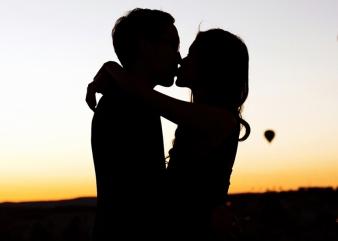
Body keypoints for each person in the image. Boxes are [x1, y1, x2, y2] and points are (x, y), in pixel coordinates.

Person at [89, 28, 250, 240]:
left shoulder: (221, 120)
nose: (182, 59)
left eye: (191, 53)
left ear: (211, 64)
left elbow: (145, 95)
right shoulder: (194, 122)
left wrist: (112, 69)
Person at [89, 8, 180, 241]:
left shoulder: (131, 101)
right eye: (174, 45)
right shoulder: (129, 106)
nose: (178, 58)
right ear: (146, 46)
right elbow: (145, 198)